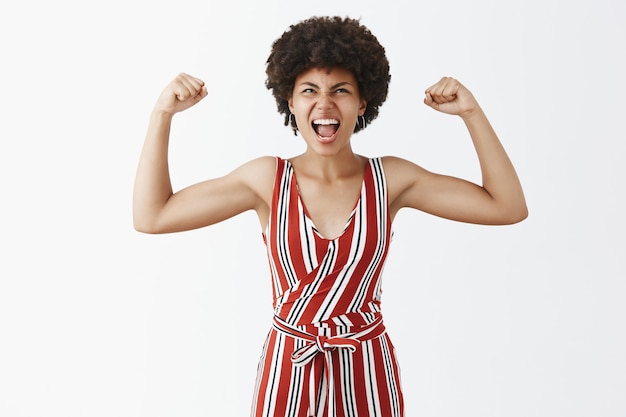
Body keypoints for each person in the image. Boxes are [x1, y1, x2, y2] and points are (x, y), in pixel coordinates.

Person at [133, 15, 527, 417]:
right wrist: (162, 115)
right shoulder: (266, 179)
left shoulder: (390, 179)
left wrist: (472, 114)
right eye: (309, 90)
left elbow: (507, 206)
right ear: (289, 100)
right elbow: (152, 216)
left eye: (340, 90)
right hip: (288, 370)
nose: (324, 104)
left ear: (362, 102)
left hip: (367, 371)